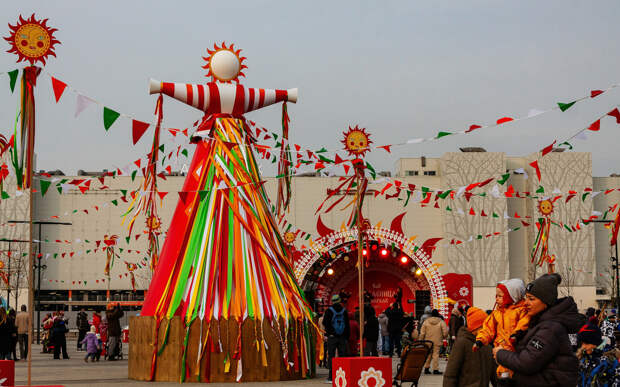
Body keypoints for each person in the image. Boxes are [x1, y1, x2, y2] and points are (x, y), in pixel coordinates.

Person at [494, 273, 585, 386]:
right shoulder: (539, 323)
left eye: (531, 299)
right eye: (526, 297)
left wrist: (500, 354)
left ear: (546, 302)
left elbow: (527, 363)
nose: (526, 302)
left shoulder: (550, 328)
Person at [474, 278, 530, 383]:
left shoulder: (521, 310)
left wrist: (517, 333)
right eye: (496, 296)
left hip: (514, 347)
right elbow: (488, 328)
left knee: (512, 376)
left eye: (500, 296)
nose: (496, 299)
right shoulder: (497, 313)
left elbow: (524, 322)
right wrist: (480, 340)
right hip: (500, 349)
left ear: (512, 296)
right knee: (502, 376)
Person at [443, 307, 495, 387]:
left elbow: (494, 375)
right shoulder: (462, 343)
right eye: (484, 326)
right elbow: (450, 374)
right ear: (475, 327)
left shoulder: (487, 345)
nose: (487, 329)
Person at [576, 321, 619, 387]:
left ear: (595, 343)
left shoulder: (609, 361)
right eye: (582, 343)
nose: (583, 346)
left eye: (587, 343)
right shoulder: (583, 359)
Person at [323, 294, 350, 383]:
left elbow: (325, 323)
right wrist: (346, 336)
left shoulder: (329, 311)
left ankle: (331, 377)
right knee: (342, 356)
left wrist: (330, 333)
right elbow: (347, 325)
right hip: (342, 337)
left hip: (332, 337)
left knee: (331, 356)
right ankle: (343, 375)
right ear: (339, 301)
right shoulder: (344, 311)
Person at [419, 309, 448, 375]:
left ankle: (426, 368)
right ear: (438, 314)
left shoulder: (426, 321)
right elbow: (445, 332)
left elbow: (422, 332)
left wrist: (421, 340)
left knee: (428, 354)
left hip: (428, 341)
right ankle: (435, 369)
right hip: (437, 341)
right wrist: (443, 337)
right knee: (436, 355)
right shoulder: (441, 322)